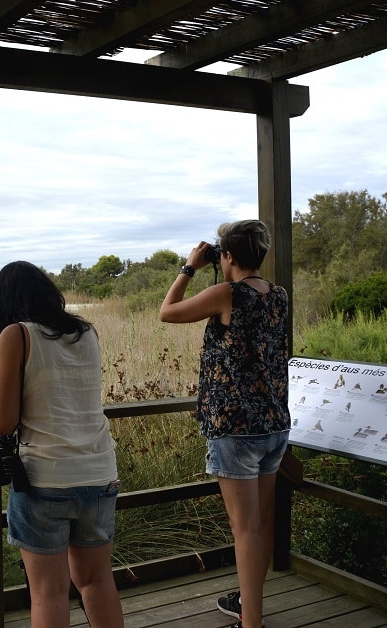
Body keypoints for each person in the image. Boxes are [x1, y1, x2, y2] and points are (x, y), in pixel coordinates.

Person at [158, 220, 290, 628]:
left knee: (245, 530)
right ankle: (251, 607)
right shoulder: (278, 295)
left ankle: (251, 623)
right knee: (261, 525)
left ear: (227, 256)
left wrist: (189, 267)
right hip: (273, 424)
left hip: (235, 429)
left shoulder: (226, 294)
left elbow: (167, 312)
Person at [0, 260, 125, 628]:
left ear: (4, 301)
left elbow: (2, 422)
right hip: (99, 473)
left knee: (48, 592)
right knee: (96, 580)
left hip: (46, 477)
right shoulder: (86, 331)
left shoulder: (16, 334)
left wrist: (0, 372)